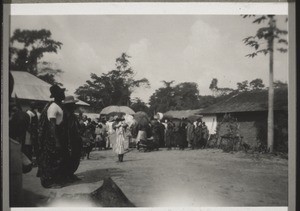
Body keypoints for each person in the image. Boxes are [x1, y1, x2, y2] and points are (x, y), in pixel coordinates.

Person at [36, 84, 66, 188]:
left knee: (57, 158)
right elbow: (52, 126)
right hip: (53, 136)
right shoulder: (53, 107)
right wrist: (56, 141)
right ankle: (49, 182)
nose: (64, 94)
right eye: (62, 92)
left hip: (57, 133)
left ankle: (55, 180)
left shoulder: (58, 106)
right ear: (57, 95)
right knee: (51, 159)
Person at [62, 95, 83, 182]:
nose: (75, 106)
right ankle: (67, 175)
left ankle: (71, 174)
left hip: (75, 139)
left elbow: (77, 127)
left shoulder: (73, 115)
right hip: (69, 139)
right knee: (69, 158)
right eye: (73, 104)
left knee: (75, 157)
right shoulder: (65, 115)